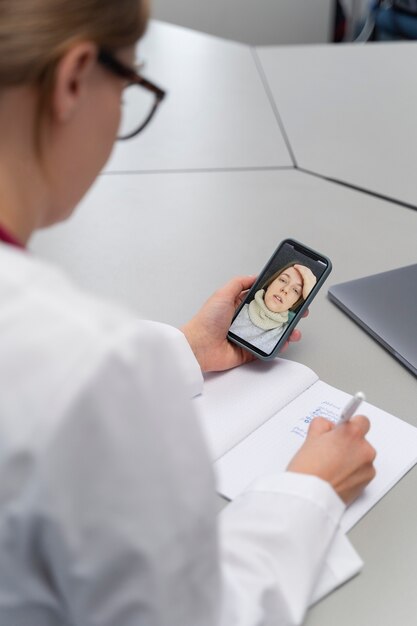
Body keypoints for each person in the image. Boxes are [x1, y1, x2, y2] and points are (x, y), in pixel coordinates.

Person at [0, 1, 377, 625]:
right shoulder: (88, 370)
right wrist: (312, 490)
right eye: (131, 86)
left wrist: (184, 347)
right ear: (74, 79)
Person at [229, 263, 317, 354]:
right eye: (283, 280)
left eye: (295, 290)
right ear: (271, 283)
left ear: (294, 303)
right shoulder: (233, 310)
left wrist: (309, 297)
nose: (285, 289)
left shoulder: (284, 334)